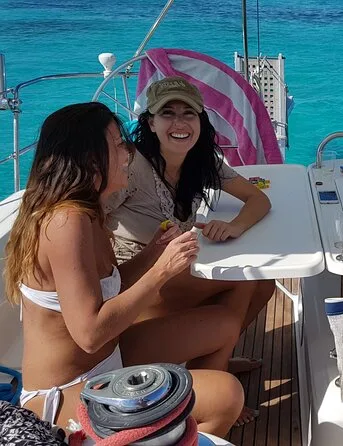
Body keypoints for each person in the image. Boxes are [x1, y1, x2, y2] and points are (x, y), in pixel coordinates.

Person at [4, 102, 244, 436]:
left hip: (109, 357)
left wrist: (153, 253)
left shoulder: (88, 210)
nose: (128, 152)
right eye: (118, 144)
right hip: (66, 392)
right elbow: (90, 335)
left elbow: (109, 287)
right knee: (226, 395)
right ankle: (181, 424)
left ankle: (176, 427)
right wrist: (161, 272)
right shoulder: (66, 222)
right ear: (91, 159)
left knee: (223, 324)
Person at [104, 76, 274, 426]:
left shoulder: (201, 160)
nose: (179, 123)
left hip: (174, 272)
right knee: (242, 281)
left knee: (264, 284)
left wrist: (235, 226)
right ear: (151, 123)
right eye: (168, 113)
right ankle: (212, 381)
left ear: (200, 120)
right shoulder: (132, 167)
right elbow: (93, 219)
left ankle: (213, 360)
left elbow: (258, 199)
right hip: (138, 286)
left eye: (188, 113)